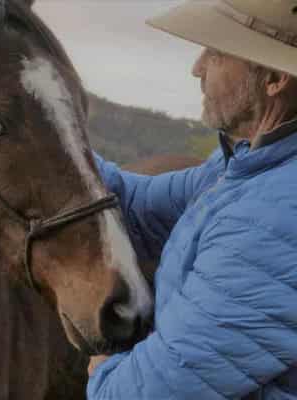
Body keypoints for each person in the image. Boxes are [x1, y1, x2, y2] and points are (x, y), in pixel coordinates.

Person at [87, 0, 297, 399]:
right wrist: (43, 131)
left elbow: (146, 393)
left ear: (274, 77)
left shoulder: (276, 220)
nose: (197, 67)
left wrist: (105, 368)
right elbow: (134, 205)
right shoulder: (248, 167)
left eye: (216, 53)